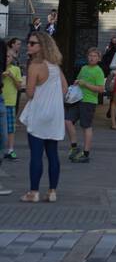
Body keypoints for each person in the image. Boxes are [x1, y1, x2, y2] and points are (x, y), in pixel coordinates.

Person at [19, 32, 67, 203]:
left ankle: (34, 192)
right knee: (53, 154)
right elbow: (64, 88)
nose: (28, 46)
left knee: (36, 155)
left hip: (39, 114)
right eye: (29, 42)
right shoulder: (55, 66)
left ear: (41, 46)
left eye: (32, 43)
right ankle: (52, 191)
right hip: (54, 115)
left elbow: (30, 93)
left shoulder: (34, 66)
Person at [65, 47, 106, 163]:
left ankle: (86, 153)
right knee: (67, 120)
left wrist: (86, 84)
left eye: (94, 56)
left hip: (89, 102)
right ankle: (74, 146)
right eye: (90, 55)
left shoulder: (99, 71)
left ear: (99, 58)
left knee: (86, 126)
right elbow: (78, 80)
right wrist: (77, 82)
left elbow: (101, 89)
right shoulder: (83, 68)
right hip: (77, 99)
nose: (92, 58)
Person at [2, 38, 23, 160]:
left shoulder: (16, 70)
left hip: (10, 102)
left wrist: (11, 76)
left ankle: (10, 150)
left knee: (10, 128)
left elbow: (19, 86)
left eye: (9, 57)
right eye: (5, 56)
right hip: (1, 101)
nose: (7, 58)